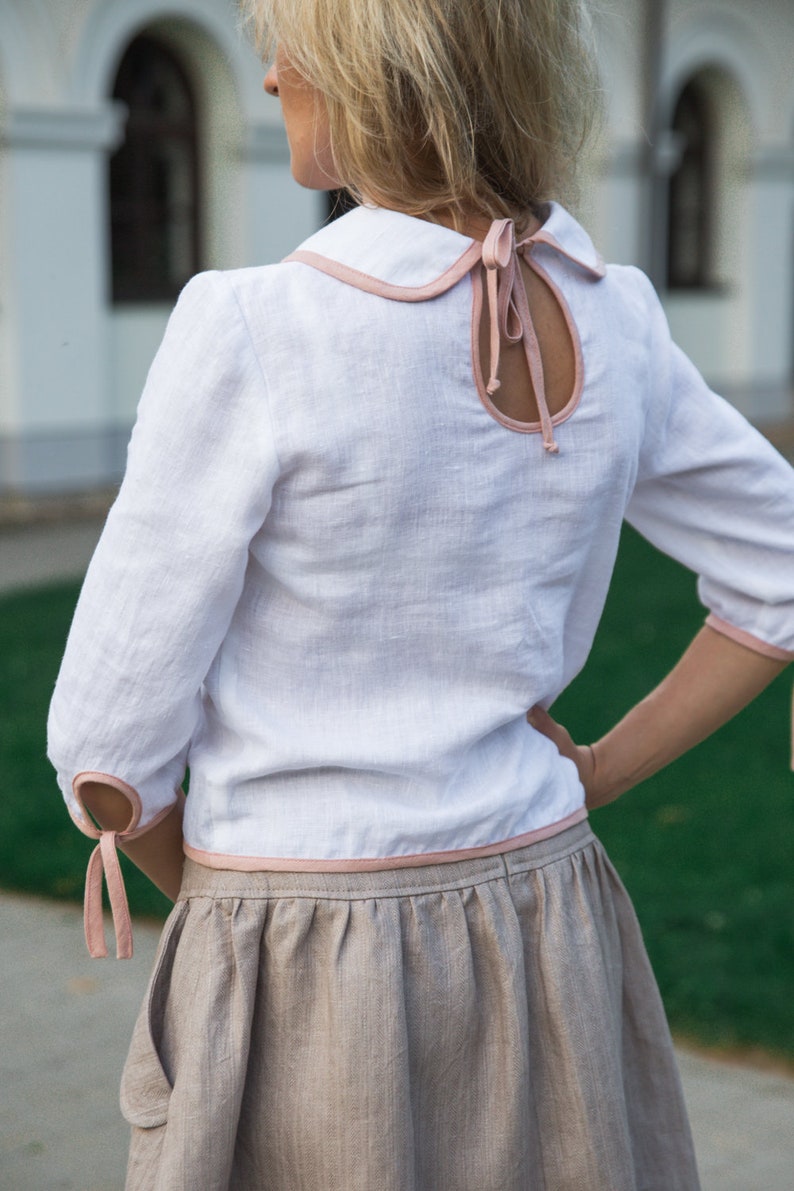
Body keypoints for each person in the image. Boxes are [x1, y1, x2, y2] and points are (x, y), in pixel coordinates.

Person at [47, 0, 794, 1187]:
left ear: (379, 78)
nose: (271, 77)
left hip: (296, 943)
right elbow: (780, 567)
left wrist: (238, 910)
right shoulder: (616, 313)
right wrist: (592, 769)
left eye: (290, 48)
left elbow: (104, 746)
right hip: (548, 911)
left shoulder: (253, 328)